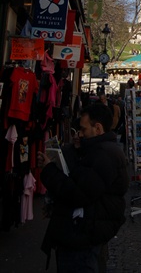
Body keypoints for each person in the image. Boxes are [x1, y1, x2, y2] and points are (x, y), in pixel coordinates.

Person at [37, 103, 129, 272]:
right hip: (84, 231)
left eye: (83, 129)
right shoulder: (98, 150)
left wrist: (50, 171)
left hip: (84, 234)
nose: (79, 134)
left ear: (98, 128)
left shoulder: (103, 154)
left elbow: (78, 193)